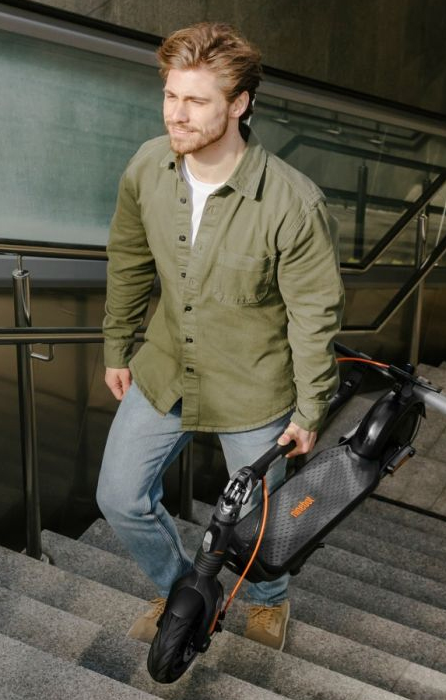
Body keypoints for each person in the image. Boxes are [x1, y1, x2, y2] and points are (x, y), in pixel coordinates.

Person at [96, 21, 344, 651]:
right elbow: (127, 260)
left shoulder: (292, 203)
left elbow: (313, 314)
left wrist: (312, 408)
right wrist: (117, 344)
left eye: (196, 101)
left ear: (239, 105)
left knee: (260, 525)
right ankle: (186, 590)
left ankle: (266, 600)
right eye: (171, 96)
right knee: (120, 497)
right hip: (163, 367)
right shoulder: (147, 167)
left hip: (253, 386)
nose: (177, 115)